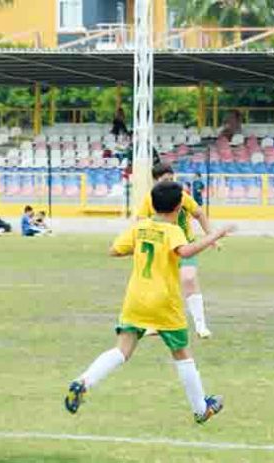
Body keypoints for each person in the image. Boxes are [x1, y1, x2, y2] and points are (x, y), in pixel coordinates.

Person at [64, 181, 234, 423]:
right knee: (182, 353)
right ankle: (200, 408)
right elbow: (185, 252)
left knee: (122, 349)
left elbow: (114, 250)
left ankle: (84, 381)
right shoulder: (174, 231)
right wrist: (215, 234)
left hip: (136, 298)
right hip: (164, 301)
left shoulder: (140, 227)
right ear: (178, 207)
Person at [137, 163, 215, 339]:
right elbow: (140, 221)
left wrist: (211, 236)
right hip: (162, 249)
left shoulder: (182, 196)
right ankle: (154, 324)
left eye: (172, 179)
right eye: (166, 180)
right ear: (156, 181)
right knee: (158, 285)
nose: (170, 183)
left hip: (185, 244)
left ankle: (200, 326)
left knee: (188, 278)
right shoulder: (149, 199)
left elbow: (199, 214)